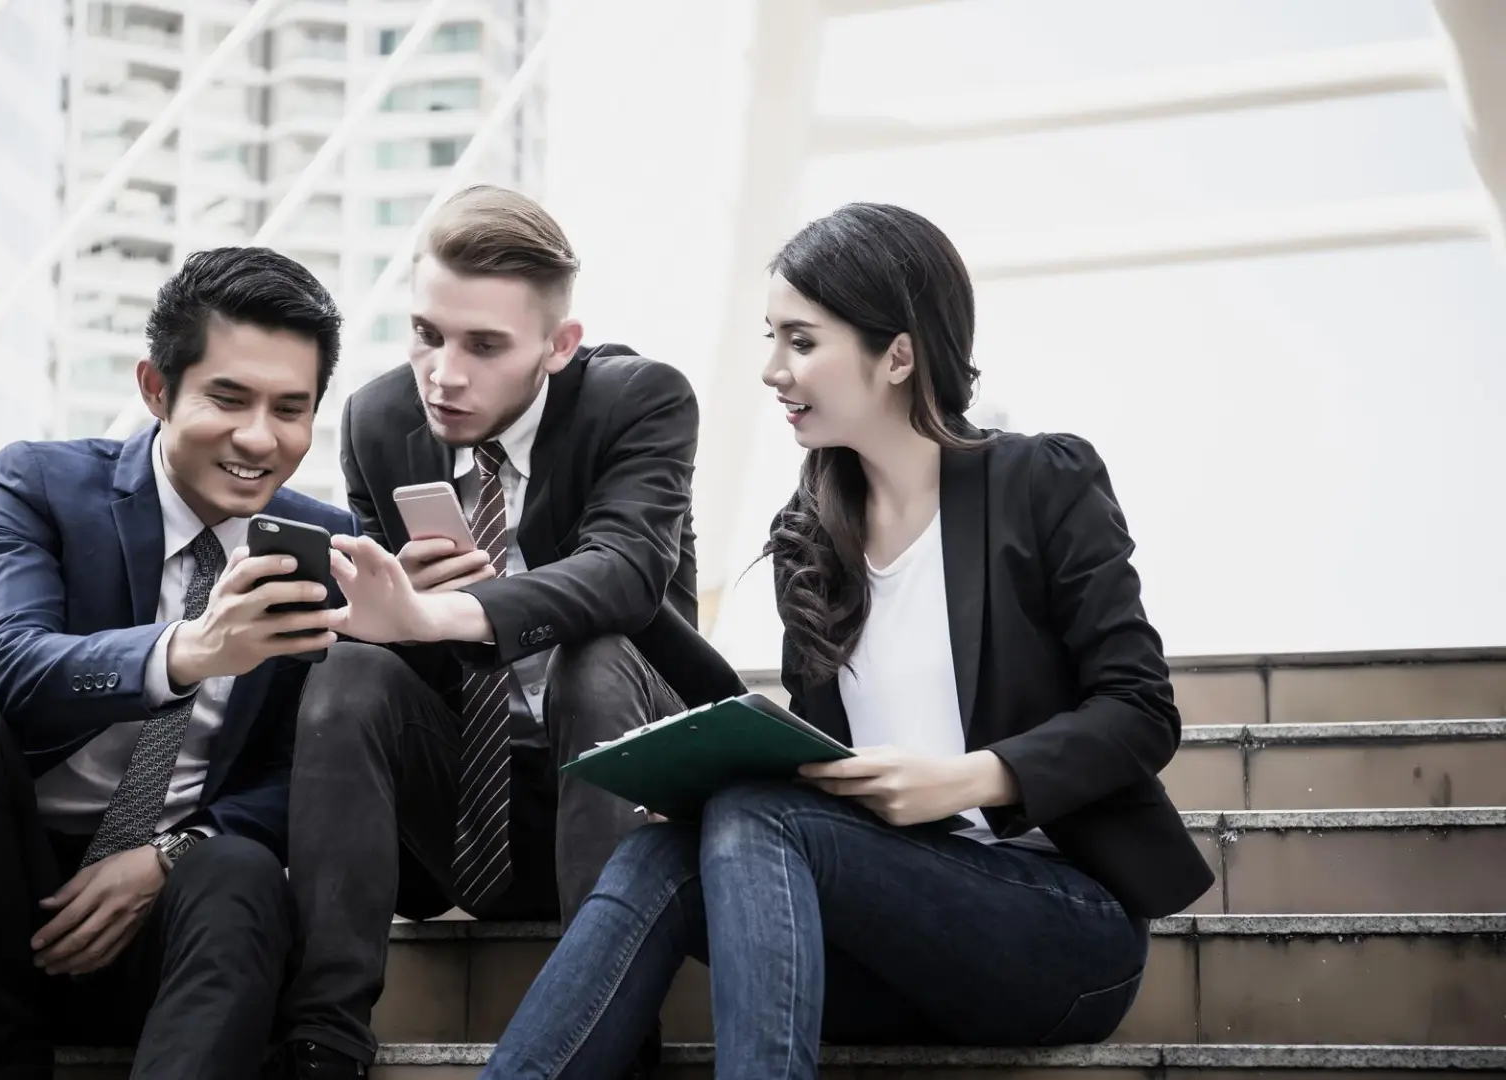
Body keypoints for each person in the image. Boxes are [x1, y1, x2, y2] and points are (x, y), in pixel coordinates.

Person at [478, 203, 1216, 1078]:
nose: (770, 370)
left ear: (897, 355)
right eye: (769, 338)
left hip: (1058, 931)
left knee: (756, 817)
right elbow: (805, 752)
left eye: (800, 340)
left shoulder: (1038, 483)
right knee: (660, 852)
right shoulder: (813, 529)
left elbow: (1139, 713)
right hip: (876, 938)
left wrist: (969, 779)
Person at [0, 247, 358, 1080]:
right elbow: (2, 664)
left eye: (291, 409)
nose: (261, 438)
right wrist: (188, 652)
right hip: (7, 903)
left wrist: (167, 855)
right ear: (154, 387)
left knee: (240, 868)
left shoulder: (323, 546)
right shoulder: (38, 484)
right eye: (228, 398)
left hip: (188, 923)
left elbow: (318, 770)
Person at [273, 185, 746, 1077]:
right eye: (427, 333)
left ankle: (614, 1041)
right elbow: (388, 646)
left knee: (594, 654)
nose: (444, 373)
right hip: (462, 817)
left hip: (624, 792)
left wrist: (448, 612)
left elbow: (627, 573)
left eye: (484, 345)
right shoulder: (380, 420)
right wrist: (396, 618)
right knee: (347, 674)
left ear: (558, 347)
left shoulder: (637, 401)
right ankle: (323, 1038)